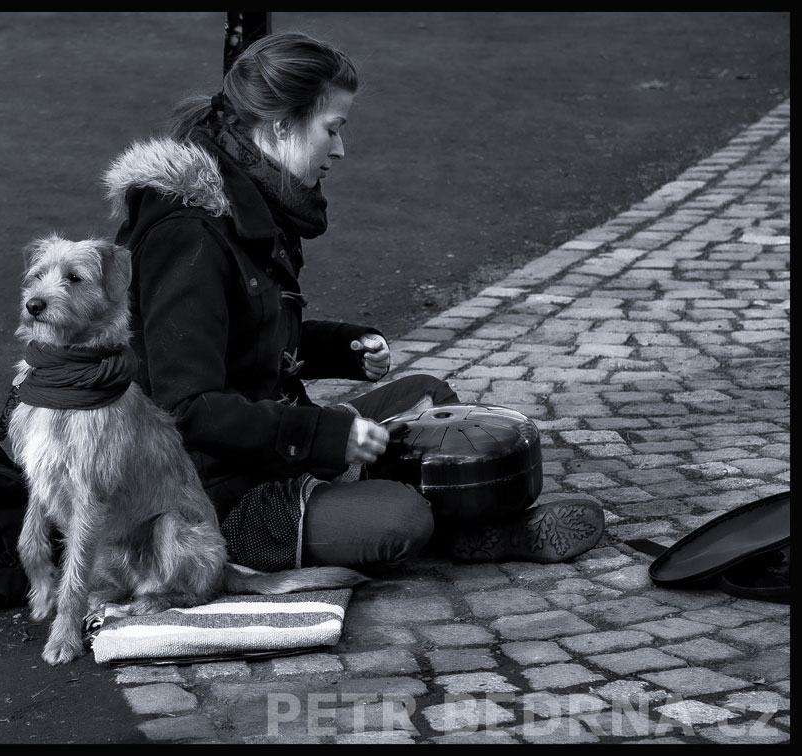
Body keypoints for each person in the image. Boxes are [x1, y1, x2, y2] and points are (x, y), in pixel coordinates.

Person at [102, 31, 602, 574]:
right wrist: (326, 436)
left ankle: (459, 524)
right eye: (332, 128)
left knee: (430, 396)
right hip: (208, 500)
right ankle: (464, 527)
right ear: (281, 125)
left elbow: (248, 340)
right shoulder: (189, 234)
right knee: (399, 519)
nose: (339, 149)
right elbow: (186, 410)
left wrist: (341, 347)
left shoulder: (250, 204)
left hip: (272, 450)